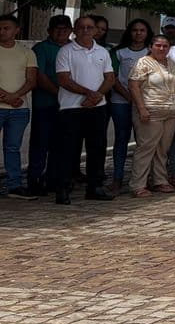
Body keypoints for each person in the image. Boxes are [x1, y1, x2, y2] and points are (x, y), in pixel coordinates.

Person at [50, 15, 116, 204]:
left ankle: (95, 186)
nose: (86, 31)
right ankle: (63, 187)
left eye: (90, 27)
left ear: (96, 30)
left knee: (97, 148)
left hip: (97, 107)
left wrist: (96, 97)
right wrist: (89, 94)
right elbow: (63, 79)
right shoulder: (66, 51)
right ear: (75, 30)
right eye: (81, 27)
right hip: (71, 107)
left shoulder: (102, 52)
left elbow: (110, 77)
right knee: (68, 149)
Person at [127, 34, 175, 196]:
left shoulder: (171, 63)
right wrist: (141, 108)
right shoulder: (143, 62)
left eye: (165, 46)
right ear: (151, 46)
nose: (161, 49)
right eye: (158, 45)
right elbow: (133, 85)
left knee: (162, 149)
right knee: (146, 148)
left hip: (171, 112)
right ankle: (138, 185)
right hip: (151, 111)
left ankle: (159, 180)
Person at [22, 14, 71, 196]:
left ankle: (54, 179)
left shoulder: (73, 49)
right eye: (57, 29)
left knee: (61, 144)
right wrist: (59, 93)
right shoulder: (41, 48)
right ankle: (35, 179)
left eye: (65, 29)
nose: (61, 32)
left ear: (70, 31)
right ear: (49, 30)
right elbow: (39, 76)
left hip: (68, 106)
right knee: (40, 142)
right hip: (45, 102)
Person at [106, 18, 152, 193]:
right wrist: (130, 96)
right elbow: (113, 77)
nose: (138, 33)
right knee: (121, 139)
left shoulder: (151, 52)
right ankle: (117, 177)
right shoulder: (119, 52)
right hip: (121, 102)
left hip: (145, 103)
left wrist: (140, 100)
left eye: (142, 30)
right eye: (135, 30)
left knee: (144, 142)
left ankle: (142, 178)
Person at [0, 13, 37, 196]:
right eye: (0, 28)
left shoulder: (26, 52)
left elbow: (31, 80)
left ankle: (14, 184)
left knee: (13, 147)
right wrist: (7, 97)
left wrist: (15, 96)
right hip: (4, 105)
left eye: (6, 28)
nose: (2, 32)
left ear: (16, 30)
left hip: (19, 108)